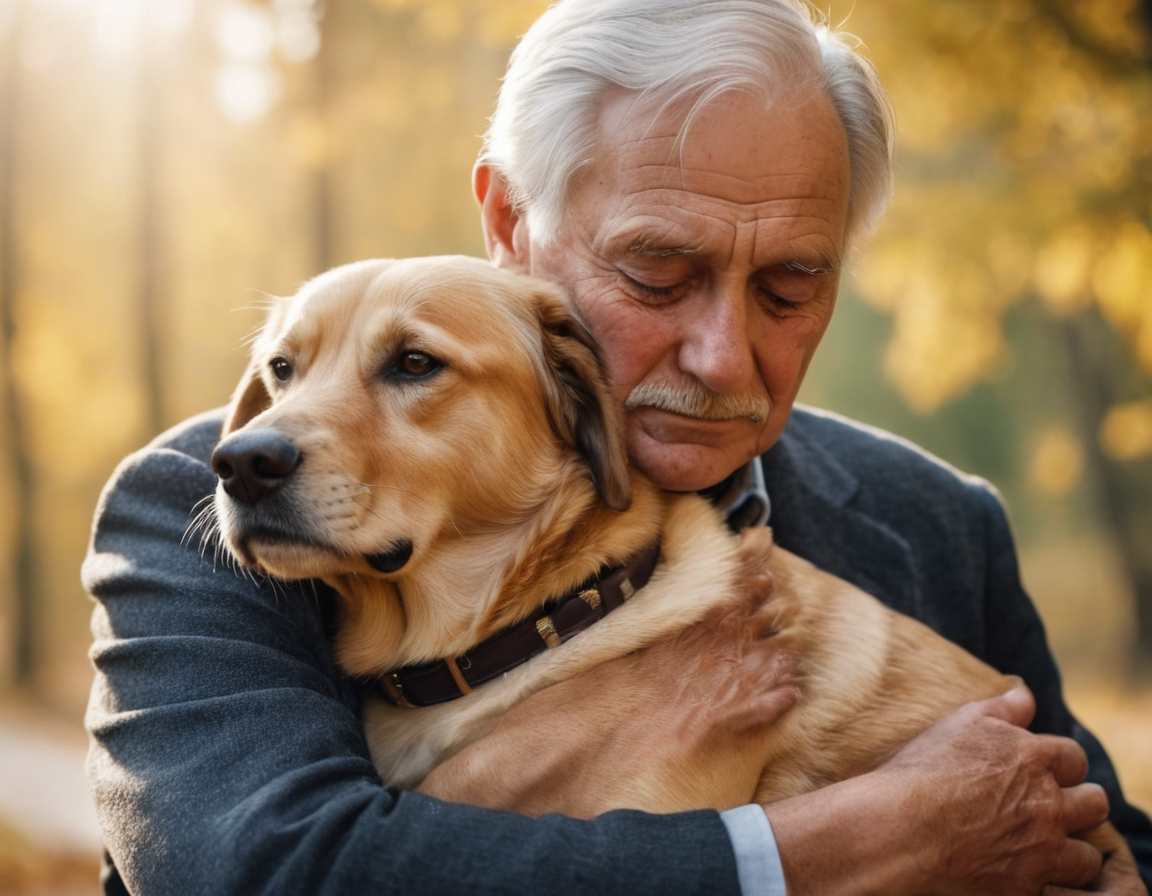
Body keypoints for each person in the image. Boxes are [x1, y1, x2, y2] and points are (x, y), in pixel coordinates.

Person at [82, 0, 1152, 893]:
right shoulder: (198, 507)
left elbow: (1102, 839)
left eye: (790, 286)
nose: (725, 355)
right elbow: (267, 868)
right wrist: (863, 838)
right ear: (510, 222)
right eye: (655, 271)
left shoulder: (937, 522)